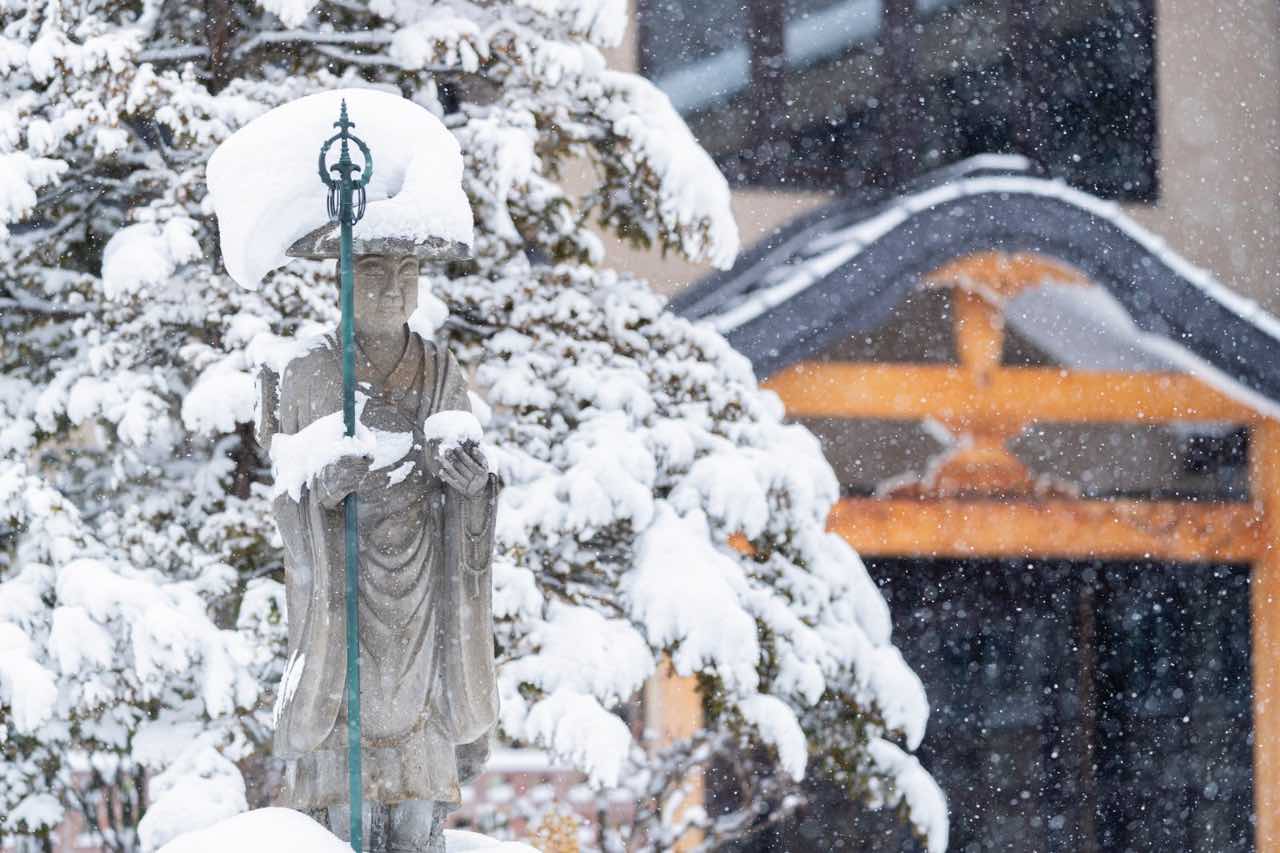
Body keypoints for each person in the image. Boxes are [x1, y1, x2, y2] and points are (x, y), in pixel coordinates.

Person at [257, 252, 499, 853]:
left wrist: (471, 489)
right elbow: (289, 497)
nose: (394, 289)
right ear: (342, 280)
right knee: (345, 808)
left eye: (407, 275)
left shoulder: (441, 368)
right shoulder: (312, 372)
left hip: (425, 595)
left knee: (418, 811)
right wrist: (323, 491)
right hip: (345, 600)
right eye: (372, 273)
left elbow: (470, 482)